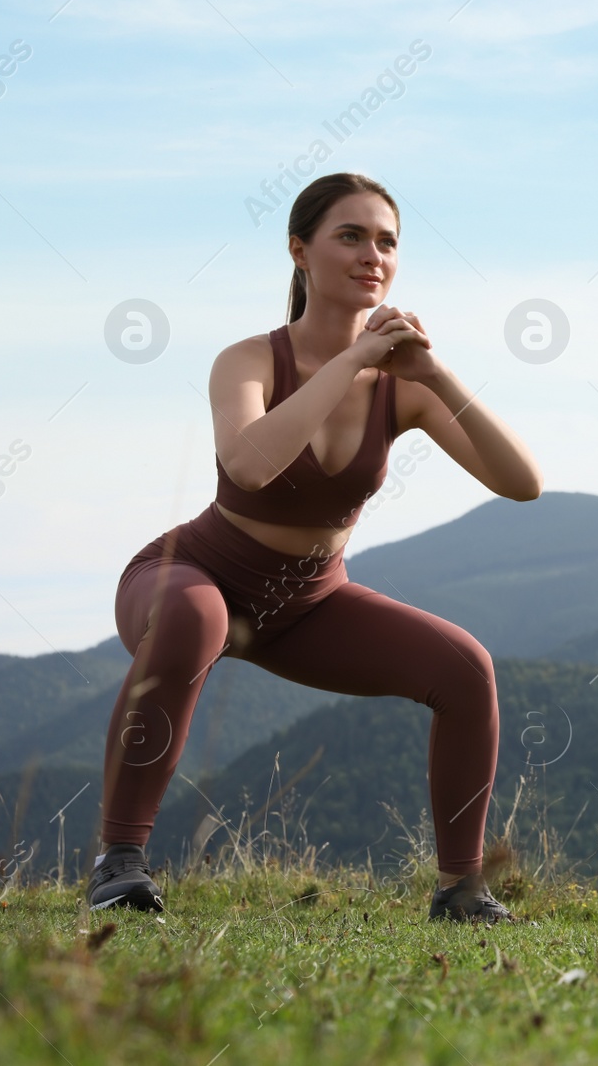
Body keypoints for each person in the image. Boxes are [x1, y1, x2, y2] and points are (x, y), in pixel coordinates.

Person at [86, 173, 543, 923]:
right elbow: (250, 464)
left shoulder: (404, 384)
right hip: (193, 575)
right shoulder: (249, 360)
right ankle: (119, 861)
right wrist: (351, 362)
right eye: (351, 235)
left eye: (388, 241)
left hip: (309, 601)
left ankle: (462, 887)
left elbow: (522, 481)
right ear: (299, 250)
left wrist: (436, 372)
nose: (374, 254)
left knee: (466, 668)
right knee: (193, 622)